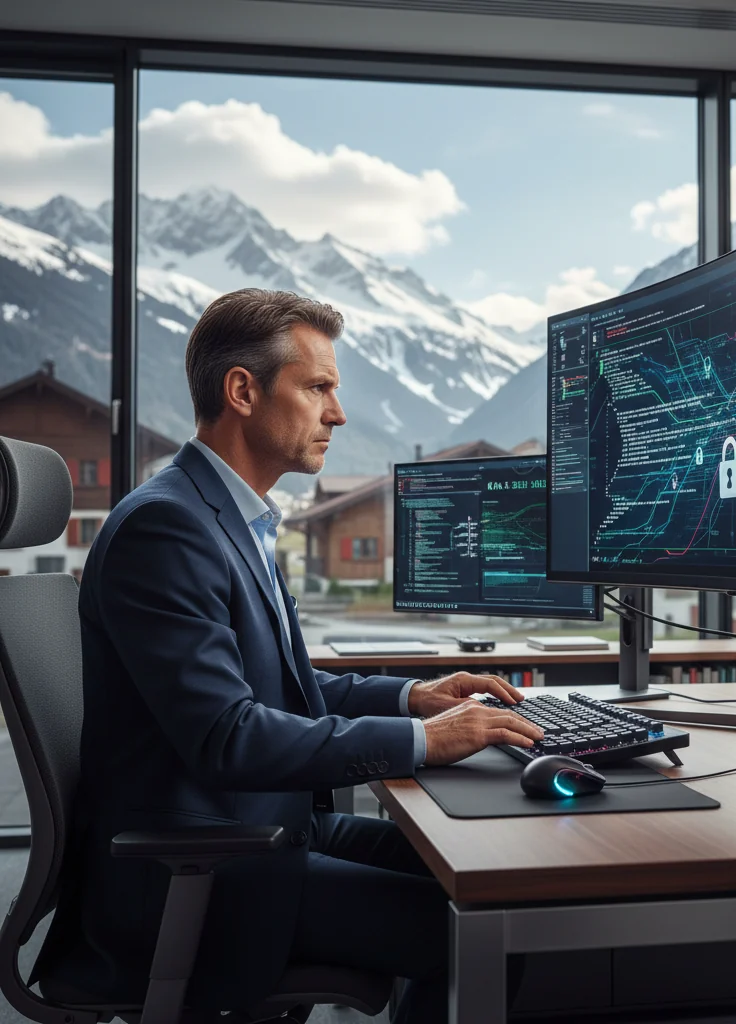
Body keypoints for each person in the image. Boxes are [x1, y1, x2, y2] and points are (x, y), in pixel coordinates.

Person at [33, 289, 543, 1023]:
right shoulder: (167, 530)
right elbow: (229, 735)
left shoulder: (227, 517)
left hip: (257, 833)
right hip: (201, 873)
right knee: (487, 931)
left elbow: (288, 692)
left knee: (493, 881)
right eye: (318, 388)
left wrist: (413, 701)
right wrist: (426, 744)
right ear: (243, 390)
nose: (337, 414)